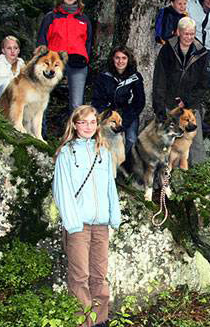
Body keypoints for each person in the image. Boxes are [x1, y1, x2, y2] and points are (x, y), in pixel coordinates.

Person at [52, 105, 121, 327]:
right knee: (80, 276)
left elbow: (111, 186)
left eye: (92, 122)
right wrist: (72, 224)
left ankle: (100, 321)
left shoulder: (104, 151)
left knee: (99, 275)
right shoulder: (67, 153)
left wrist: (114, 216)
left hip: (100, 225)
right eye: (83, 122)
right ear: (75, 124)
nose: (88, 127)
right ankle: (84, 322)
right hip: (78, 225)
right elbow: (61, 189)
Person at [153, 16, 209, 164]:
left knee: (195, 143)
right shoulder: (167, 50)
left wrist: (188, 101)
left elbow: (203, 83)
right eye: (186, 34)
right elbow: (160, 79)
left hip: (191, 104)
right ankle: (165, 176)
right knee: (167, 141)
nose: (189, 37)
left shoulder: (201, 52)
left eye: (192, 34)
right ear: (178, 32)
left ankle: (198, 173)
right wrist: (159, 106)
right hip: (169, 102)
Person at [37, 0, 92, 111]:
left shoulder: (84, 19)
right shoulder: (51, 17)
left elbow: (89, 42)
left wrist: (86, 59)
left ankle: (73, 132)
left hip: (77, 63)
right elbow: (42, 40)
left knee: (76, 105)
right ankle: (38, 132)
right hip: (53, 62)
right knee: (42, 100)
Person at [92, 45, 146, 154]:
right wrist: (107, 113)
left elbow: (139, 101)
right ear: (112, 59)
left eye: (124, 58)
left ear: (128, 60)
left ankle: (125, 165)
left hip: (128, 112)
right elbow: (97, 99)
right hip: (107, 112)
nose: (120, 61)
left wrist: (125, 120)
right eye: (117, 58)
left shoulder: (135, 77)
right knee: (105, 139)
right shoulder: (104, 75)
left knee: (131, 139)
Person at [0, 35, 25, 105]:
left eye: (15, 48)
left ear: (18, 50)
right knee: (6, 83)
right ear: (3, 50)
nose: (12, 51)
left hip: (16, 103)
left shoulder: (22, 65)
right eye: (9, 48)